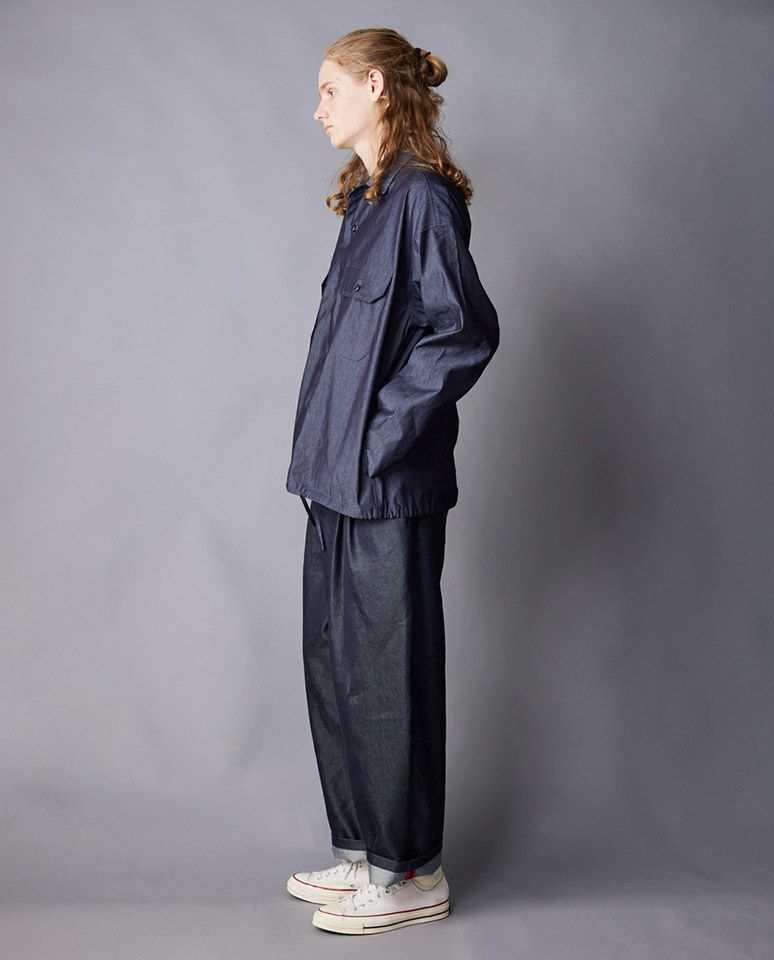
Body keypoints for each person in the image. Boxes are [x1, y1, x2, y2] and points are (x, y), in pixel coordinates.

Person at [284, 27, 500, 935]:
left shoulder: (422, 201)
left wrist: (378, 439)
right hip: (333, 481)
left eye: (330, 90)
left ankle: (411, 872)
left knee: (388, 676)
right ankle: (363, 855)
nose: (318, 109)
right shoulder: (365, 202)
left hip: (386, 481)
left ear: (376, 87)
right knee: (335, 665)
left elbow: (464, 331)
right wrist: (330, 452)